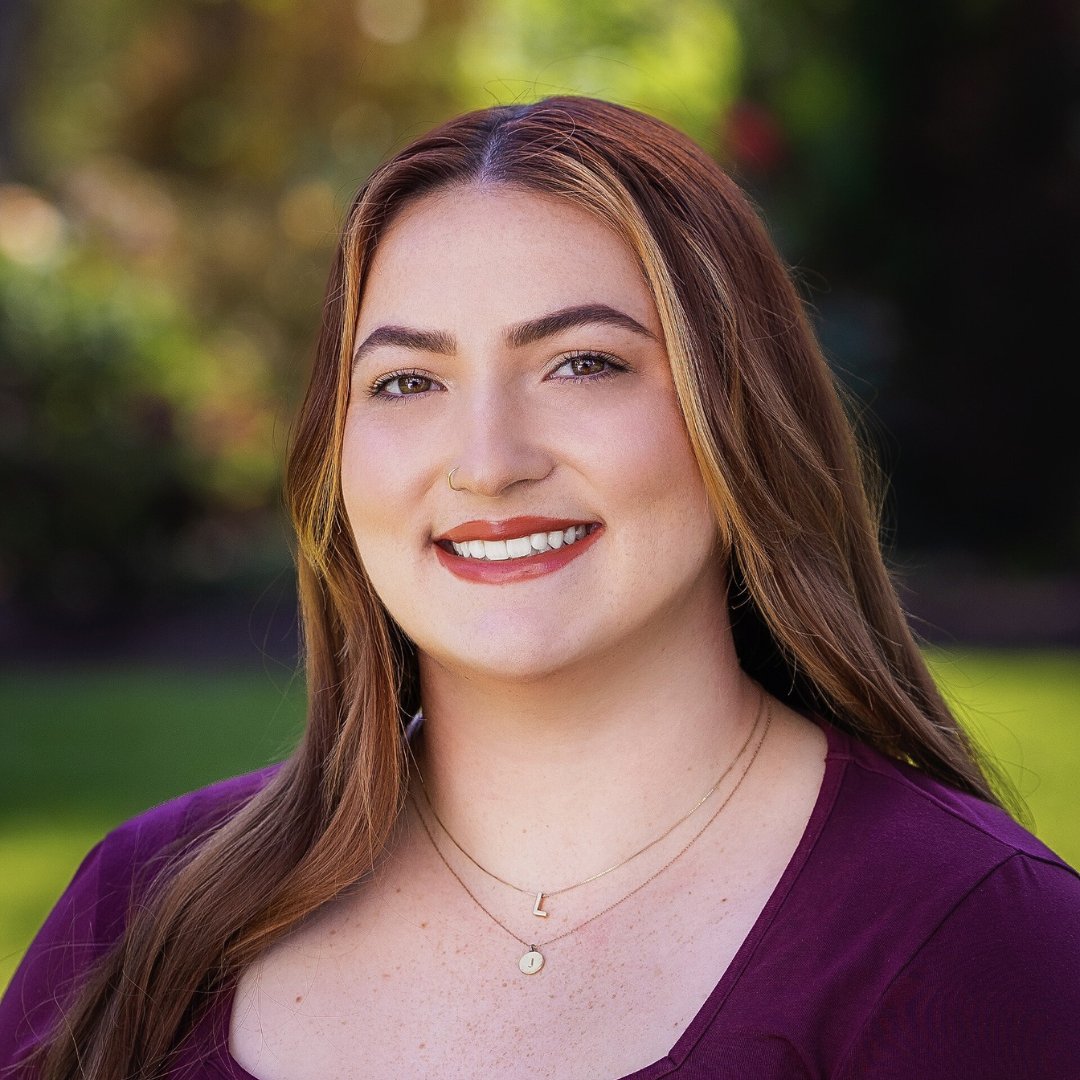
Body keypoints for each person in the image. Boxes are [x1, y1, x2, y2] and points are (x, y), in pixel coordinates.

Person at [2, 96, 1078, 1080]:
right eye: (408, 381)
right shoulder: (142, 912)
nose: (488, 460)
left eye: (581, 363)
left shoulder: (982, 944)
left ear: (737, 413)